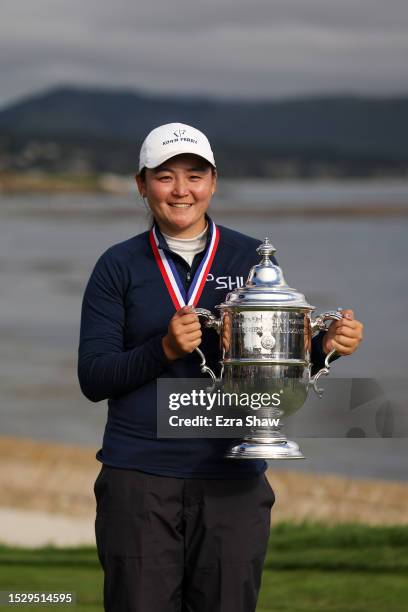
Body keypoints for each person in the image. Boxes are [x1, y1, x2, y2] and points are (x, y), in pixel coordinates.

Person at [78, 123, 364, 612]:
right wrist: (163, 348)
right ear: (141, 185)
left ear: (214, 182)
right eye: (165, 177)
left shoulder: (253, 258)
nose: (181, 190)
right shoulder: (117, 265)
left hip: (232, 474)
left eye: (195, 175)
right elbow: (94, 377)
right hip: (141, 478)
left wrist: (325, 349)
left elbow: (269, 364)